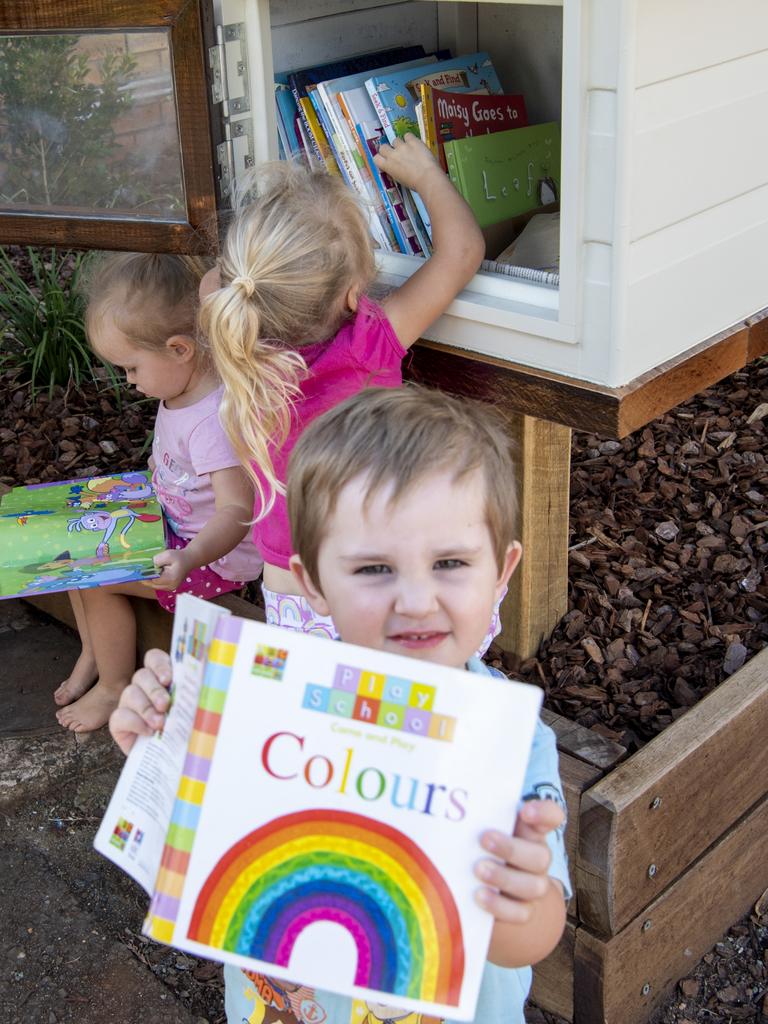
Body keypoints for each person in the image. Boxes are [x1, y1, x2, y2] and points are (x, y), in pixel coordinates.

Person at [110, 385, 571, 1024]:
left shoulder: (508, 738)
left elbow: (536, 937)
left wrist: (515, 897)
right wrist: (160, 746)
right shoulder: (263, 701)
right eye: (374, 569)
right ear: (313, 584)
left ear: (501, 570)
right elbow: (192, 844)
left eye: (450, 562)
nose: (414, 599)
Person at [196, 133, 487, 642]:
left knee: (325, 714)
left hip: (291, 589)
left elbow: (218, 284)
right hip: (373, 581)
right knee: (391, 704)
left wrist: (258, 266)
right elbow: (462, 252)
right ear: (355, 295)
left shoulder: (235, 344)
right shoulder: (368, 344)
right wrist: (426, 177)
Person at [55, 253, 263, 733]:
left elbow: (237, 510)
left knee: (96, 577)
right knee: (72, 549)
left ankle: (113, 684)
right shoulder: (179, 388)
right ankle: (94, 652)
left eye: (130, 368)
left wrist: (190, 559)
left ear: (180, 349)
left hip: (208, 559)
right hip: (173, 524)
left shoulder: (212, 419)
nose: (128, 382)